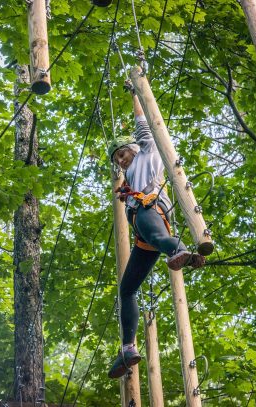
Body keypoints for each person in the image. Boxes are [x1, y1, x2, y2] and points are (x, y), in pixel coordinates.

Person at [107, 91, 205, 379]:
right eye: (117, 159)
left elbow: (143, 124)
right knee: (127, 289)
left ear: (134, 148)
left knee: (161, 239)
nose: (121, 161)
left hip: (151, 209)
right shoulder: (130, 175)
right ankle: (128, 347)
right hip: (142, 232)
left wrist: (136, 93)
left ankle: (179, 250)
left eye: (122, 154)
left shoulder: (147, 152)